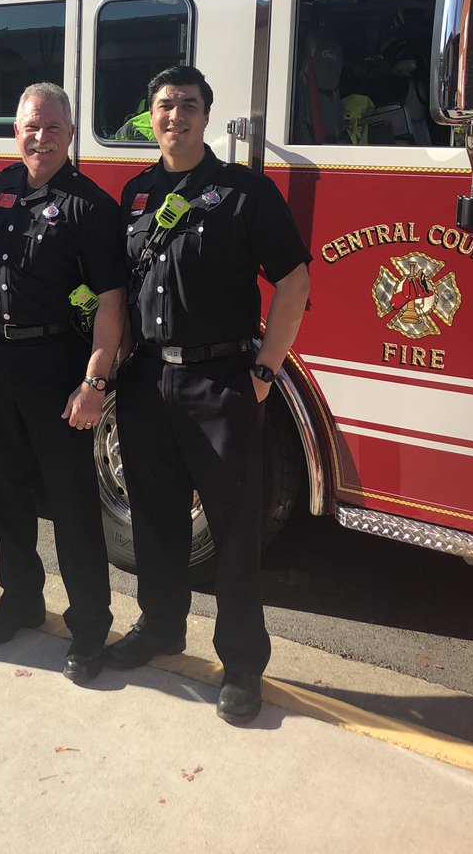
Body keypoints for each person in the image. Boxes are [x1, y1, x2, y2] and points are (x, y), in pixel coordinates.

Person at [107, 66, 311, 725]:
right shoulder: (136, 195)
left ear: (205, 116)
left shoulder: (245, 193)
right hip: (145, 381)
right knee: (156, 518)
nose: (175, 117)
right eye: (164, 106)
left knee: (233, 528)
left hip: (219, 382)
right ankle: (160, 627)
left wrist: (265, 371)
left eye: (188, 106)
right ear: (150, 116)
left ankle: (243, 662)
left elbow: (295, 282)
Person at [0, 83, 125, 682]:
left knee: (71, 503)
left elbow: (112, 302)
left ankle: (89, 628)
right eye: (31, 126)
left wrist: (95, 381)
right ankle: (20, 601)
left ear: (70, 132)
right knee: (4, 490)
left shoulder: (91, 206)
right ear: (17, 130)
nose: (41, 136)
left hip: (56, 363)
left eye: (53, 127)